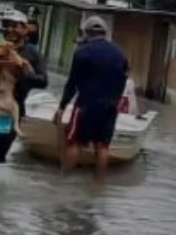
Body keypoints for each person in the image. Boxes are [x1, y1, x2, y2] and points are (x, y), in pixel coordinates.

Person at [0, 9, 47, 176]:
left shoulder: (32, 53)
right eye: (6, 25)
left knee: (0, 153)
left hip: (13, 107)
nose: (10, 29)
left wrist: (23, 70)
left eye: (15, 26)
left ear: (25, 29)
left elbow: (43, 81)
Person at [54, 16, 129, 179]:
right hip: (110, 107)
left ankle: (63, 181)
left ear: (87, 33)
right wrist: (116, 101)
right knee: (102, 146)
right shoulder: (120, 54)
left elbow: (72, 84)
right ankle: (99, 184)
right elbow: (123, 82)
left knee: (75, 142)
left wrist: (61, 107)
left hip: (86, 106)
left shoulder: (82, 52)